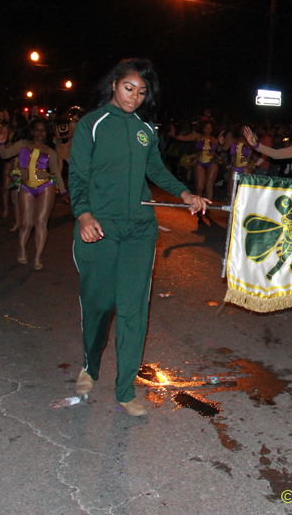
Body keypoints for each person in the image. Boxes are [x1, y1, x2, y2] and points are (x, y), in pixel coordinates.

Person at [69, 58, 209, 417]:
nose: (134, 97)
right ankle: (90, 365)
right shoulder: (92, 125)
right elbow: (78, 176)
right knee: (99, 304)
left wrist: (185, 194)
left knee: (134, 310)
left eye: (141, 92)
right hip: (99, 227)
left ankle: (125, 388)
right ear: (115, 84)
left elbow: (156, 169)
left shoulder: (145, 129)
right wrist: (83, 214)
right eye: (129, 88)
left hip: (139, 231)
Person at [0, 119, 68, 269]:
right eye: (37, 129)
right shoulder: (22, 144)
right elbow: (5, 155)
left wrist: (63, 191)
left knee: (41, 223)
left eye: (43, 130)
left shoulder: (50, 151)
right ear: (32, 131)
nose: (40, 133)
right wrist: (1, 143)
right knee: (26, 223)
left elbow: (55, 172)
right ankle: (21, 249)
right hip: (26, 187)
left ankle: (37, 257)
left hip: (45, 186)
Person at [169, 120, 220, 200]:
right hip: (200, 162)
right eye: (206, 128)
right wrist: (174, 136)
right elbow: (184, 138)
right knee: (199, 187)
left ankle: (208, 208)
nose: (208, 130)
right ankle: (198, 206)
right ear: (203, 128)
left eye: (210, 128)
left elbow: (214, 152)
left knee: (209, 186)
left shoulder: (214, 140)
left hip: (211, 163)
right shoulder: (197, 136)